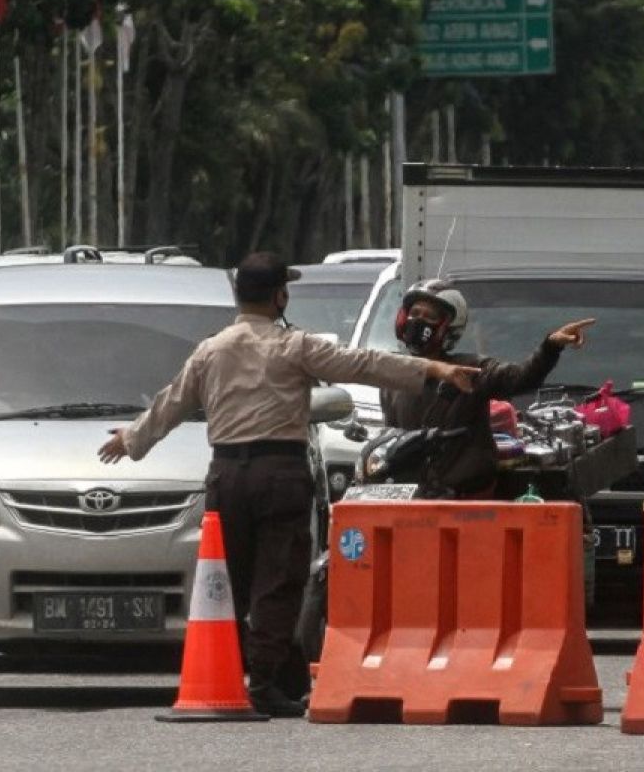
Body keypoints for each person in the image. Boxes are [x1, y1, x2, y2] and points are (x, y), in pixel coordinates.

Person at [97, 252, 480, 718]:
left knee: (228, 580)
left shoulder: (212, 349)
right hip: (279, 473)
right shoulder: (294, 346)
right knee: (278, 581)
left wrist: (130, 440)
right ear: (280, 296)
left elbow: (171, 402)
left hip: (226, 475)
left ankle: (235, 672)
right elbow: (360, 364)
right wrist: (434, 369)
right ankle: (263, 684)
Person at [379, 278, 595, 498]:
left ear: (447, 327)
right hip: (411, 501)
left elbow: (520, 378)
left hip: (467, 501)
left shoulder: (469, 369)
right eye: (415, 313)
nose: (419, 321)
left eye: (429, 316)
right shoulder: (393, 377)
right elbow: (390, 441)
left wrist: (551, 347)